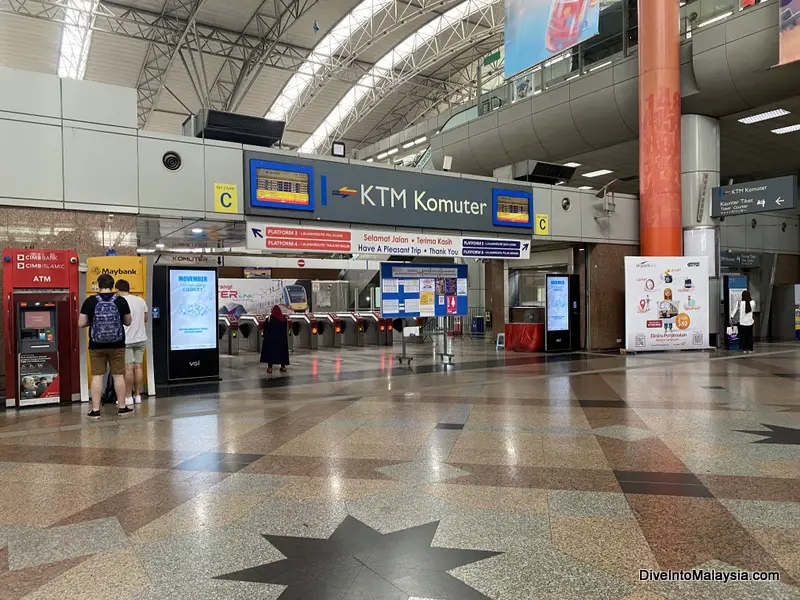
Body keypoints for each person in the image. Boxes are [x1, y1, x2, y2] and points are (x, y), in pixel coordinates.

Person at [79, 273, 132, 418]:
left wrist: (92, 322)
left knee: (97, 376)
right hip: (117, 344)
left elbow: (81, 323)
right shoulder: (120, 300)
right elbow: (128, 322)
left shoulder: (90, 301)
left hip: (96, 345)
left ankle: (95, 410)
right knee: (118, 375)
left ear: (98, 284)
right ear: (113, 285)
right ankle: (122, 407)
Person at [115, 279, 148, 405]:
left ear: (117, 290)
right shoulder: (140, 300)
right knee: (138, 367)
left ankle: (128, 396)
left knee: (128, 369)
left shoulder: (120, 301)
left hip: (127, 339)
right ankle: (138, 395)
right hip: (141, 338)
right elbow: (145, 318)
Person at [261, 305, 289, 374]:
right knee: (282, 353)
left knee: (270, 354)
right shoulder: (284, 319)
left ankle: (270, 368)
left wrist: (264, 334)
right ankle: (283, 367)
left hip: (271, 340)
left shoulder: (269, 319)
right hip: (281, 340)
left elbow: (264, 327)